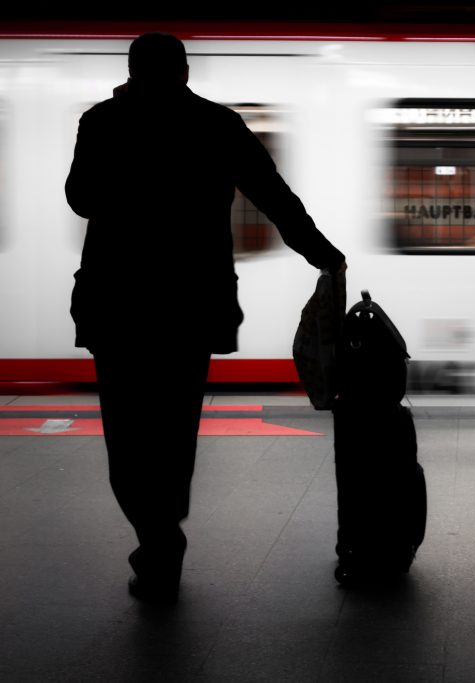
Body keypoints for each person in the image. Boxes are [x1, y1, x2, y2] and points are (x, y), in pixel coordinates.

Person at [65, 32, 345, 604]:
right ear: (183, 71)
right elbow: (273, 195)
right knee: (174, 428)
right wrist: (323, 253)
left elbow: (80, 198)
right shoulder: (217, 124)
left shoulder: (102, 122)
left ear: (133, 71)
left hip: (117, 303)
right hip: (189, 304)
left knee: (127, 434)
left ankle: (156, 538)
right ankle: (163, 536)